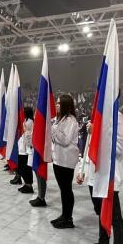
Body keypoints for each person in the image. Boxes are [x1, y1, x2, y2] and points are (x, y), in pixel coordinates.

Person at [75, 112, 123, 244]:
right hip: (95, 176)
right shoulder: (99, 119)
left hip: (109, 178)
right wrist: (82, 170)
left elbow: (118, 149)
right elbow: (88, 148)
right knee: (101, 213)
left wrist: (98, 132)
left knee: (115, 218)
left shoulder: (120, 121)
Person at [50, 94, 79, 229]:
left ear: (65, 105)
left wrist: (53, 129)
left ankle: (68, 219)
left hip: (66, 161)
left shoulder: (70, 121)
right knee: (63, 190)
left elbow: (65, 140)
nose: (56, 105)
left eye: (59, 103)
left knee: (67, 189)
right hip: (58, 159)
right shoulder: (59, 120)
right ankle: (64, 215)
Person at [15, 107, 34, 194]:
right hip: (23, 145)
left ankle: (29, 185)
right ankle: (26, 183)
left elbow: (29, 133)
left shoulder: (30, 121)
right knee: (22, 166)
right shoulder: (26, 120)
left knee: (26, 167)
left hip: (27, 146)